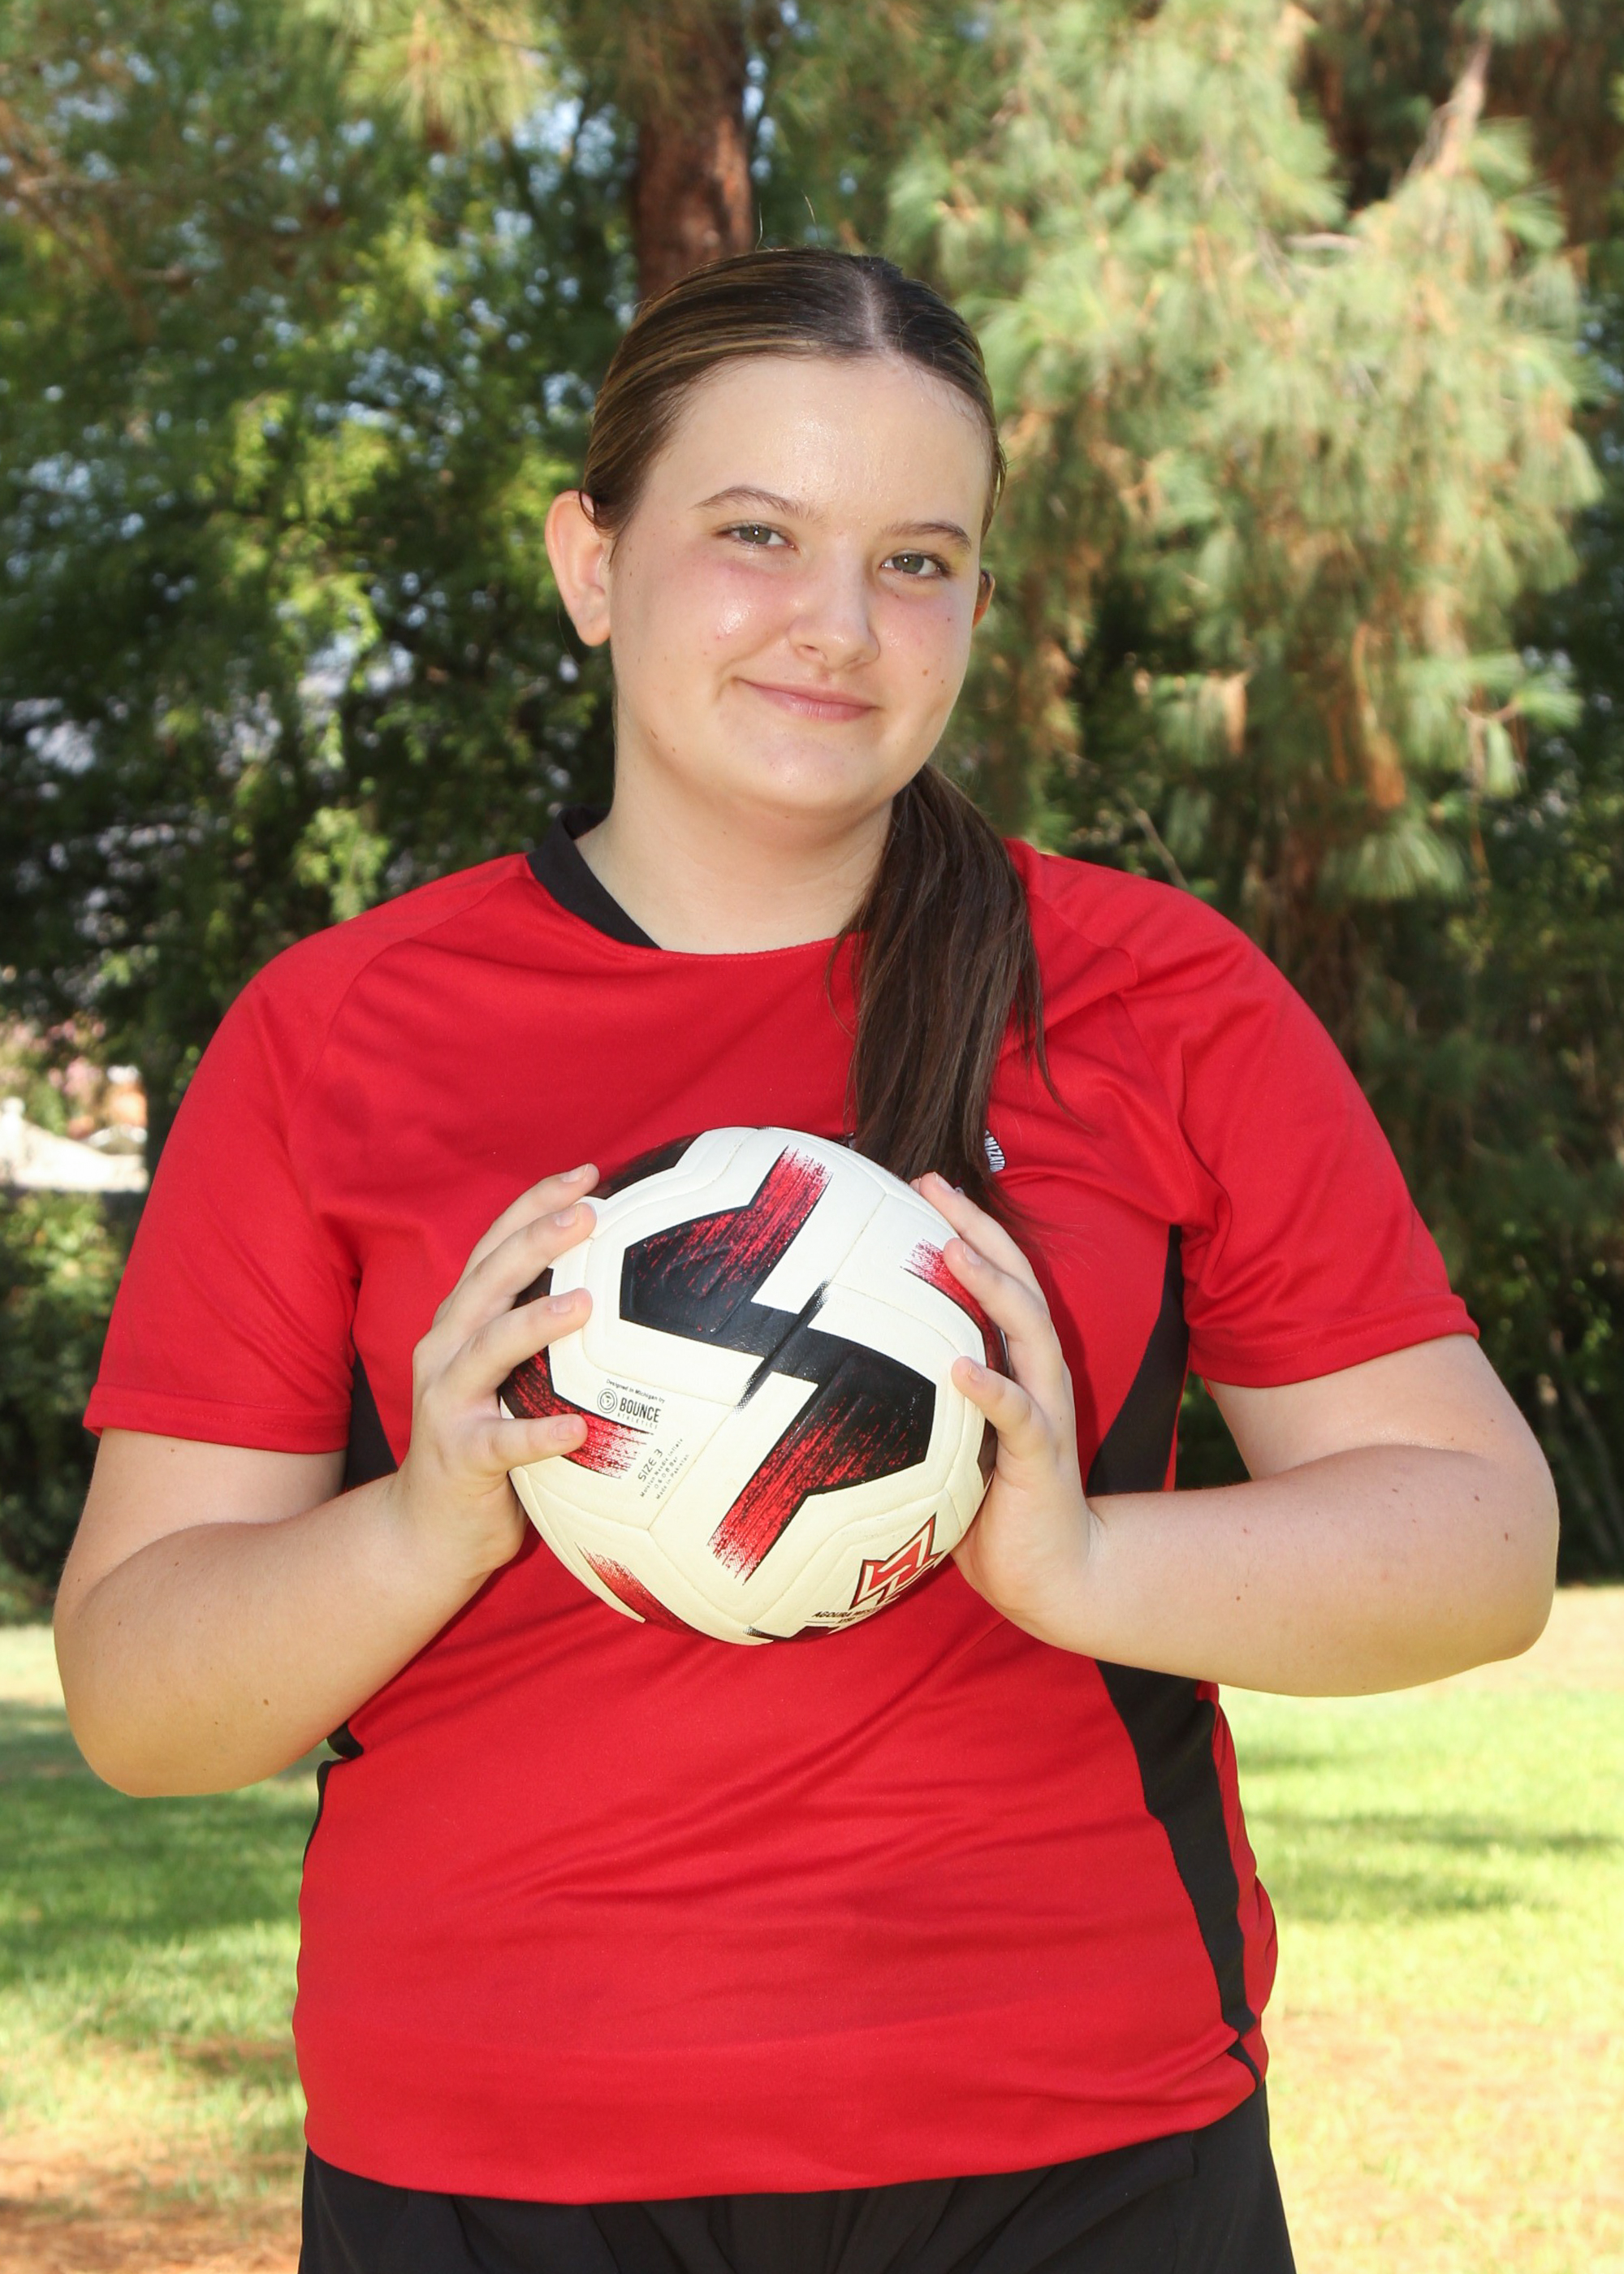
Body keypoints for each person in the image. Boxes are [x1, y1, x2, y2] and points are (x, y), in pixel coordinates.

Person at [55, 249, 1558, 2274]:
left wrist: (1079, 1564)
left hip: (1078, 2148)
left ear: (977, 607)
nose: (837, 625)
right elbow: (139, 1705)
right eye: (755, 533)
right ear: (592, 562)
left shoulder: (1151, 995)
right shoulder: (338, 1032)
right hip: (490, 2164)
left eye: (914, 561)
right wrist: (423, 1521)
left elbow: (1480, 1541)